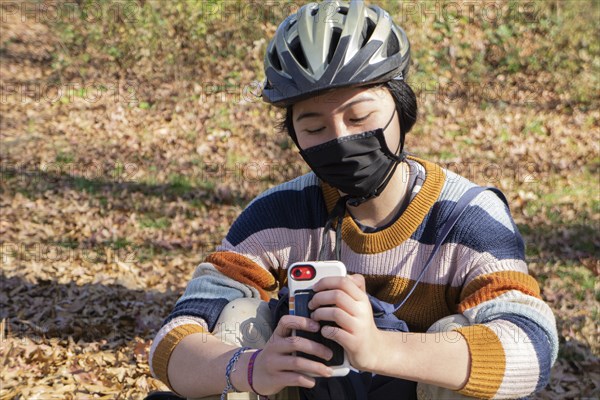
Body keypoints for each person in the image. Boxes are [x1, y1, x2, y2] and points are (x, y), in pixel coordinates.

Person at [148, 1, 558, 399]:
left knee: (462, 334)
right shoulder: (278, 214)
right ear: (294, 135)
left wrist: (378, 348)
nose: (340, 139)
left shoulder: (468, 216)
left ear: (403, 108)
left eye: (359, 117)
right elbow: (175, 339)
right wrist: (253, 367)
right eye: (313, 127)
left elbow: (532, 347)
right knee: (237, 319)